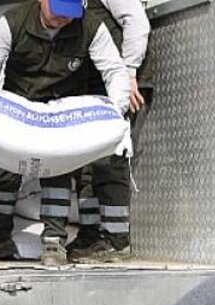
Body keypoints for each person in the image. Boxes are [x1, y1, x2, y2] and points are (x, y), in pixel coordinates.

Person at [0, 0, 131, 265]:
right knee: (3, 171)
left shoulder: (90, 27)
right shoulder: (12, 23)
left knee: (57, 171)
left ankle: (54, 242)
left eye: (69, 13)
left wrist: (116, 110)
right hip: (20, 107)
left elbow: (114, 71)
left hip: (61, 112)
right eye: (58, 10)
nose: (63, 18)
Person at [69, 0, 152, 263]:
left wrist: (128, 73)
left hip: (123, 83)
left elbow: (137, 23)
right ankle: (91, 234)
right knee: (86, 164)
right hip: (97, 85)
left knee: (110, 159)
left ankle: (116, 240)